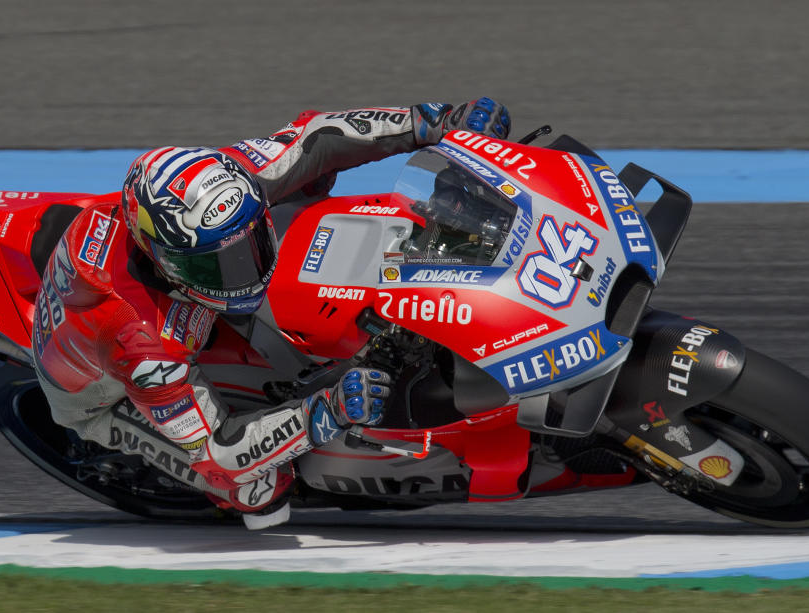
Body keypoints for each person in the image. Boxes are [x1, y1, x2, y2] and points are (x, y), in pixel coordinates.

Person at [31, 98, 511, 529]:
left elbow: (316, 137)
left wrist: (431, 123)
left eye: (248, 246)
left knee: (304, 184)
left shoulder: (226, 182)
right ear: (160, 256)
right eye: (214, 265)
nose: (241, 272)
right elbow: (219, 449)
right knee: (256, 488)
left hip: (161, 305)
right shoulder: (139, 343)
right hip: (100, 392)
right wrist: (327, 410)